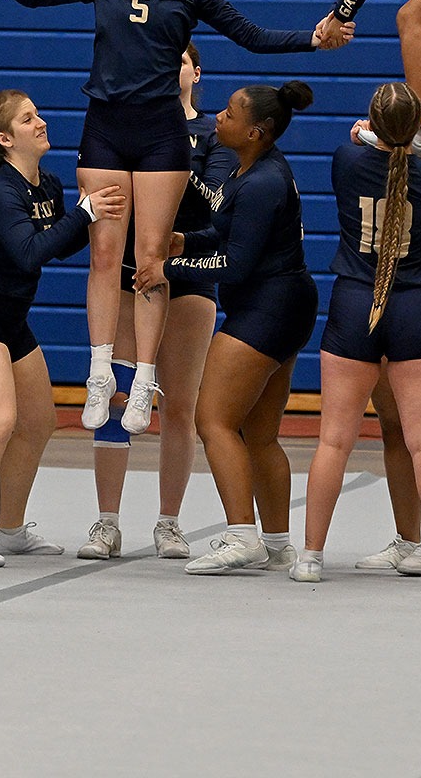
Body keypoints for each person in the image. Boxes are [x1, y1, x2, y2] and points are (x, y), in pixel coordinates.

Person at [0, 0, 342, 439]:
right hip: (106, 127)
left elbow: (249, 35)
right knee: (106, 253)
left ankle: (143, 381)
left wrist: (311, 38)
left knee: (151, 256)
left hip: (161, 135)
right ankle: (99, 374)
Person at [297, 83, 421, 587]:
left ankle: (310, 557)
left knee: (334, 440)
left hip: (355, 300)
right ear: (418, 129)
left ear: (372, 124)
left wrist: (376, 131)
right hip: (417, 303)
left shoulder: (346, 160)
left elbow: (357, 139)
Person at [134, 82, 318, 576]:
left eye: (231, 112)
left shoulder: (262, 183)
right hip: (281, 303)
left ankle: (242, 534)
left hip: (268, 307)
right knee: (259, 433)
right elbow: (224, 232)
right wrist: (183, 239)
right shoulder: (249, 170)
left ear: (257, 131)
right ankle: (278, 542)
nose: (219, 115)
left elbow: (234, 266)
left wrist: (170, 270)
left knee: (212, 419)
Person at [0, 90, 124, 567]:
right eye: (28, 119)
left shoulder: (48, 184)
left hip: (11, 316)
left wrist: (90, 220)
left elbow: (55, 246)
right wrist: (83, 215)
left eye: (38, 112)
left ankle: (10, 529)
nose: (41, 121)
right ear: (5, 138)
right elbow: (28, 253)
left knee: (38, 422)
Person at [79, 45, 225, 560]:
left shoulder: (211, 133)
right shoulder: (128, 128)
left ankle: (169, 521)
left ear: (195, 72)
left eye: (180, 61)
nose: (169, 69)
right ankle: (106, 522)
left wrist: (174, 177)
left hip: (184, 277)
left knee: (179, 405)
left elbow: (219, 212)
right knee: (118, 397)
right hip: (128, 274)